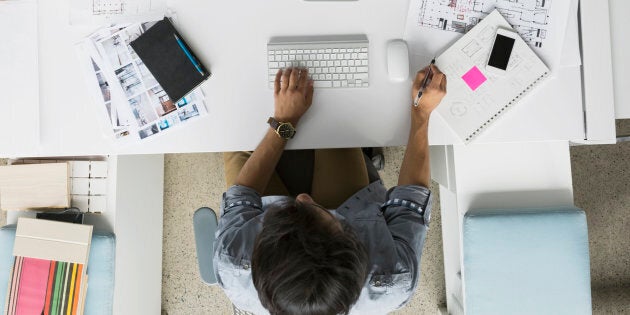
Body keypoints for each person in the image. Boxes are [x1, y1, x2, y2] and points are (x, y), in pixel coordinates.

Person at [214, 65, 447, 315]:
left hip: (268, 224)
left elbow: (243, 195)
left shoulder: (233, 264)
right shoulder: (392, 279)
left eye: (292, 210)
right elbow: (412, 196)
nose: (303, 198)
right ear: (355, 244)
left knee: (238, 136)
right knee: (334, 123)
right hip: (351, 206)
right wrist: (421, 113)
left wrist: (285, 121)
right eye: (324, 213)